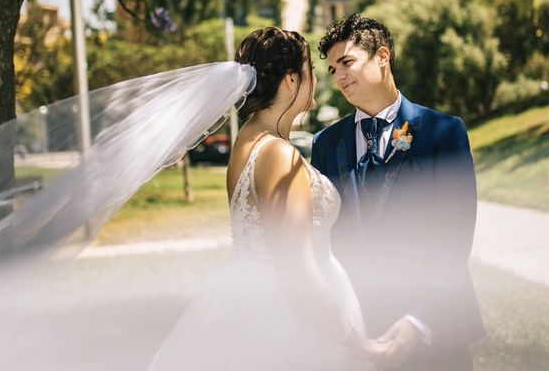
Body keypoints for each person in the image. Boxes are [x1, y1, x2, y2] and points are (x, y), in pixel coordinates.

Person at [149, 27, 388, 370]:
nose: (316, 82)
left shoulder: (247, 141)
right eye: (310, 73)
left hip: (249, 300)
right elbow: (297, 269)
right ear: (291, 81)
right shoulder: (278, 154)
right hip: (288, 319)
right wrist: (354, 342)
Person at [310, 15, 485, 371]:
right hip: (363, 331)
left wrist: (418, 321)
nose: (339, 78)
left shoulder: (443, 132)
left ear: (383, 56)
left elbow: (454, 239)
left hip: (437, 329)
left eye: (347, 62)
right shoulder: (326, 144)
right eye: (332, 70)